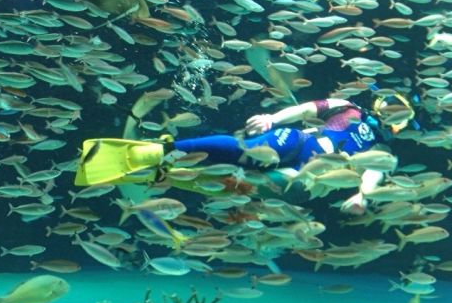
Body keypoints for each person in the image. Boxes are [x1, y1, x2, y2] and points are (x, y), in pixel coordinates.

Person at [75, 92, 416, 215]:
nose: (393, 120)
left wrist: (362, 198)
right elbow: (302, 110)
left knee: (250, 186)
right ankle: (166, 150)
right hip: (295, 143)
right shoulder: (347, 106)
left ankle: (166, 172)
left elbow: (373, 175)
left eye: (400, 119)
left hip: (303, 173)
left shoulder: (382, 151)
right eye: (394, 112)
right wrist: (271, 118)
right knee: (236, 148)